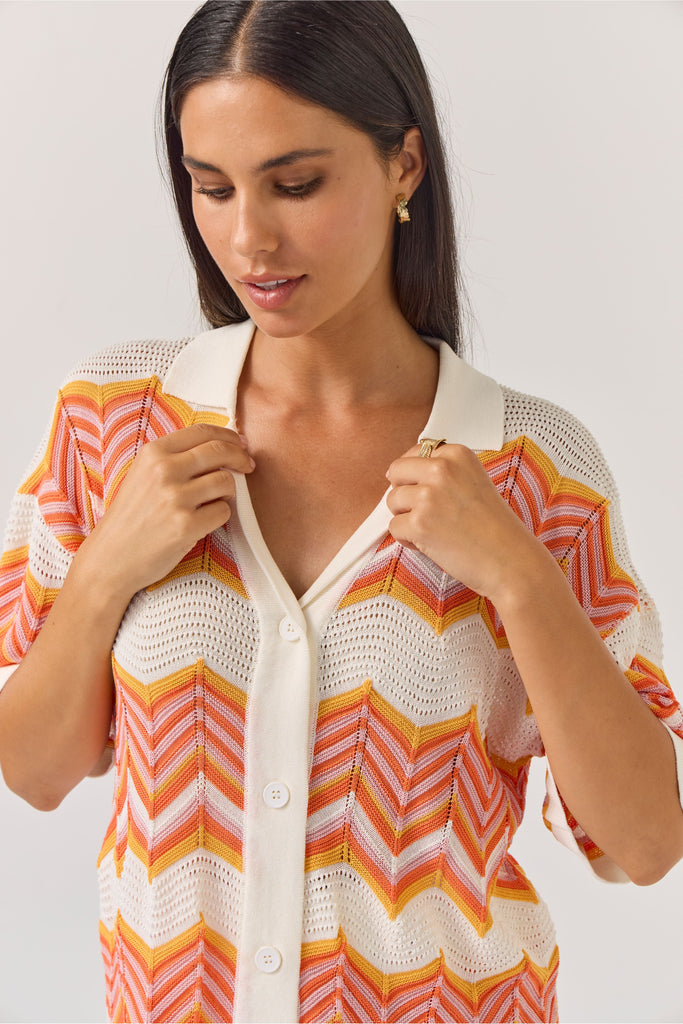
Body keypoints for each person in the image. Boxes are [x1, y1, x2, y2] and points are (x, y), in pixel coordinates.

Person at [0, 2, 681, 1022]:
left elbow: (639, 843)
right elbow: (36, 770)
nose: (248, 238)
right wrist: (104, 570)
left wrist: (517, 578)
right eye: (210, 186)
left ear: (404, 166)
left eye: (296, 183)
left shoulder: (536, 467)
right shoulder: (113, 422)